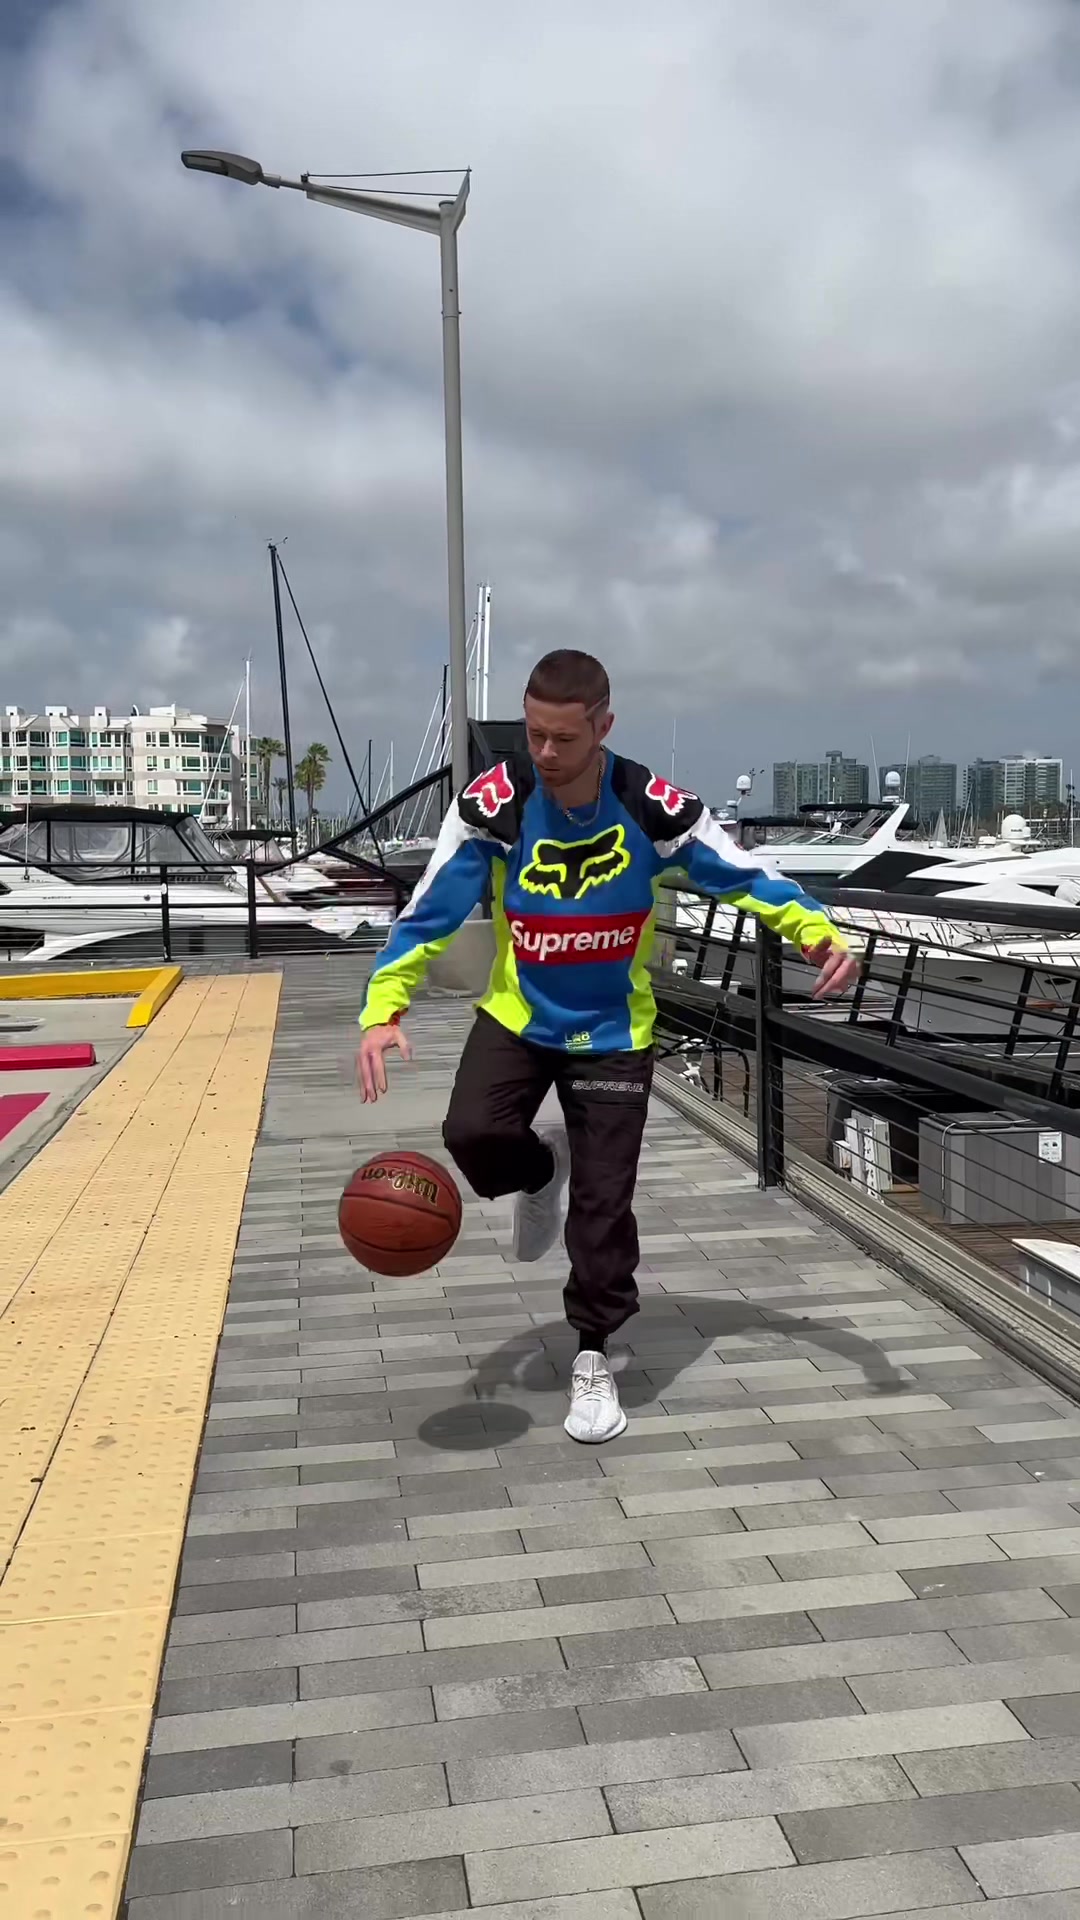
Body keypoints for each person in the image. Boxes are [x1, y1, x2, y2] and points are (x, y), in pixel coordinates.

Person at [357, 649, 857, 1443]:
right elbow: (430, 910)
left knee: (603, 1204)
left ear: (603, 727)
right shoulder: (495, 805)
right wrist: (383, 1009)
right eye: (533, 735)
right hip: (520, 1016)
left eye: (563, 738)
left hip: (613, 1033)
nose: (545, 753)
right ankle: (537, 1169)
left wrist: (816, 930)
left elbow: (744, 874)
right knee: (472, 1134)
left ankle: (593, 1354)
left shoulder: (651, 807)